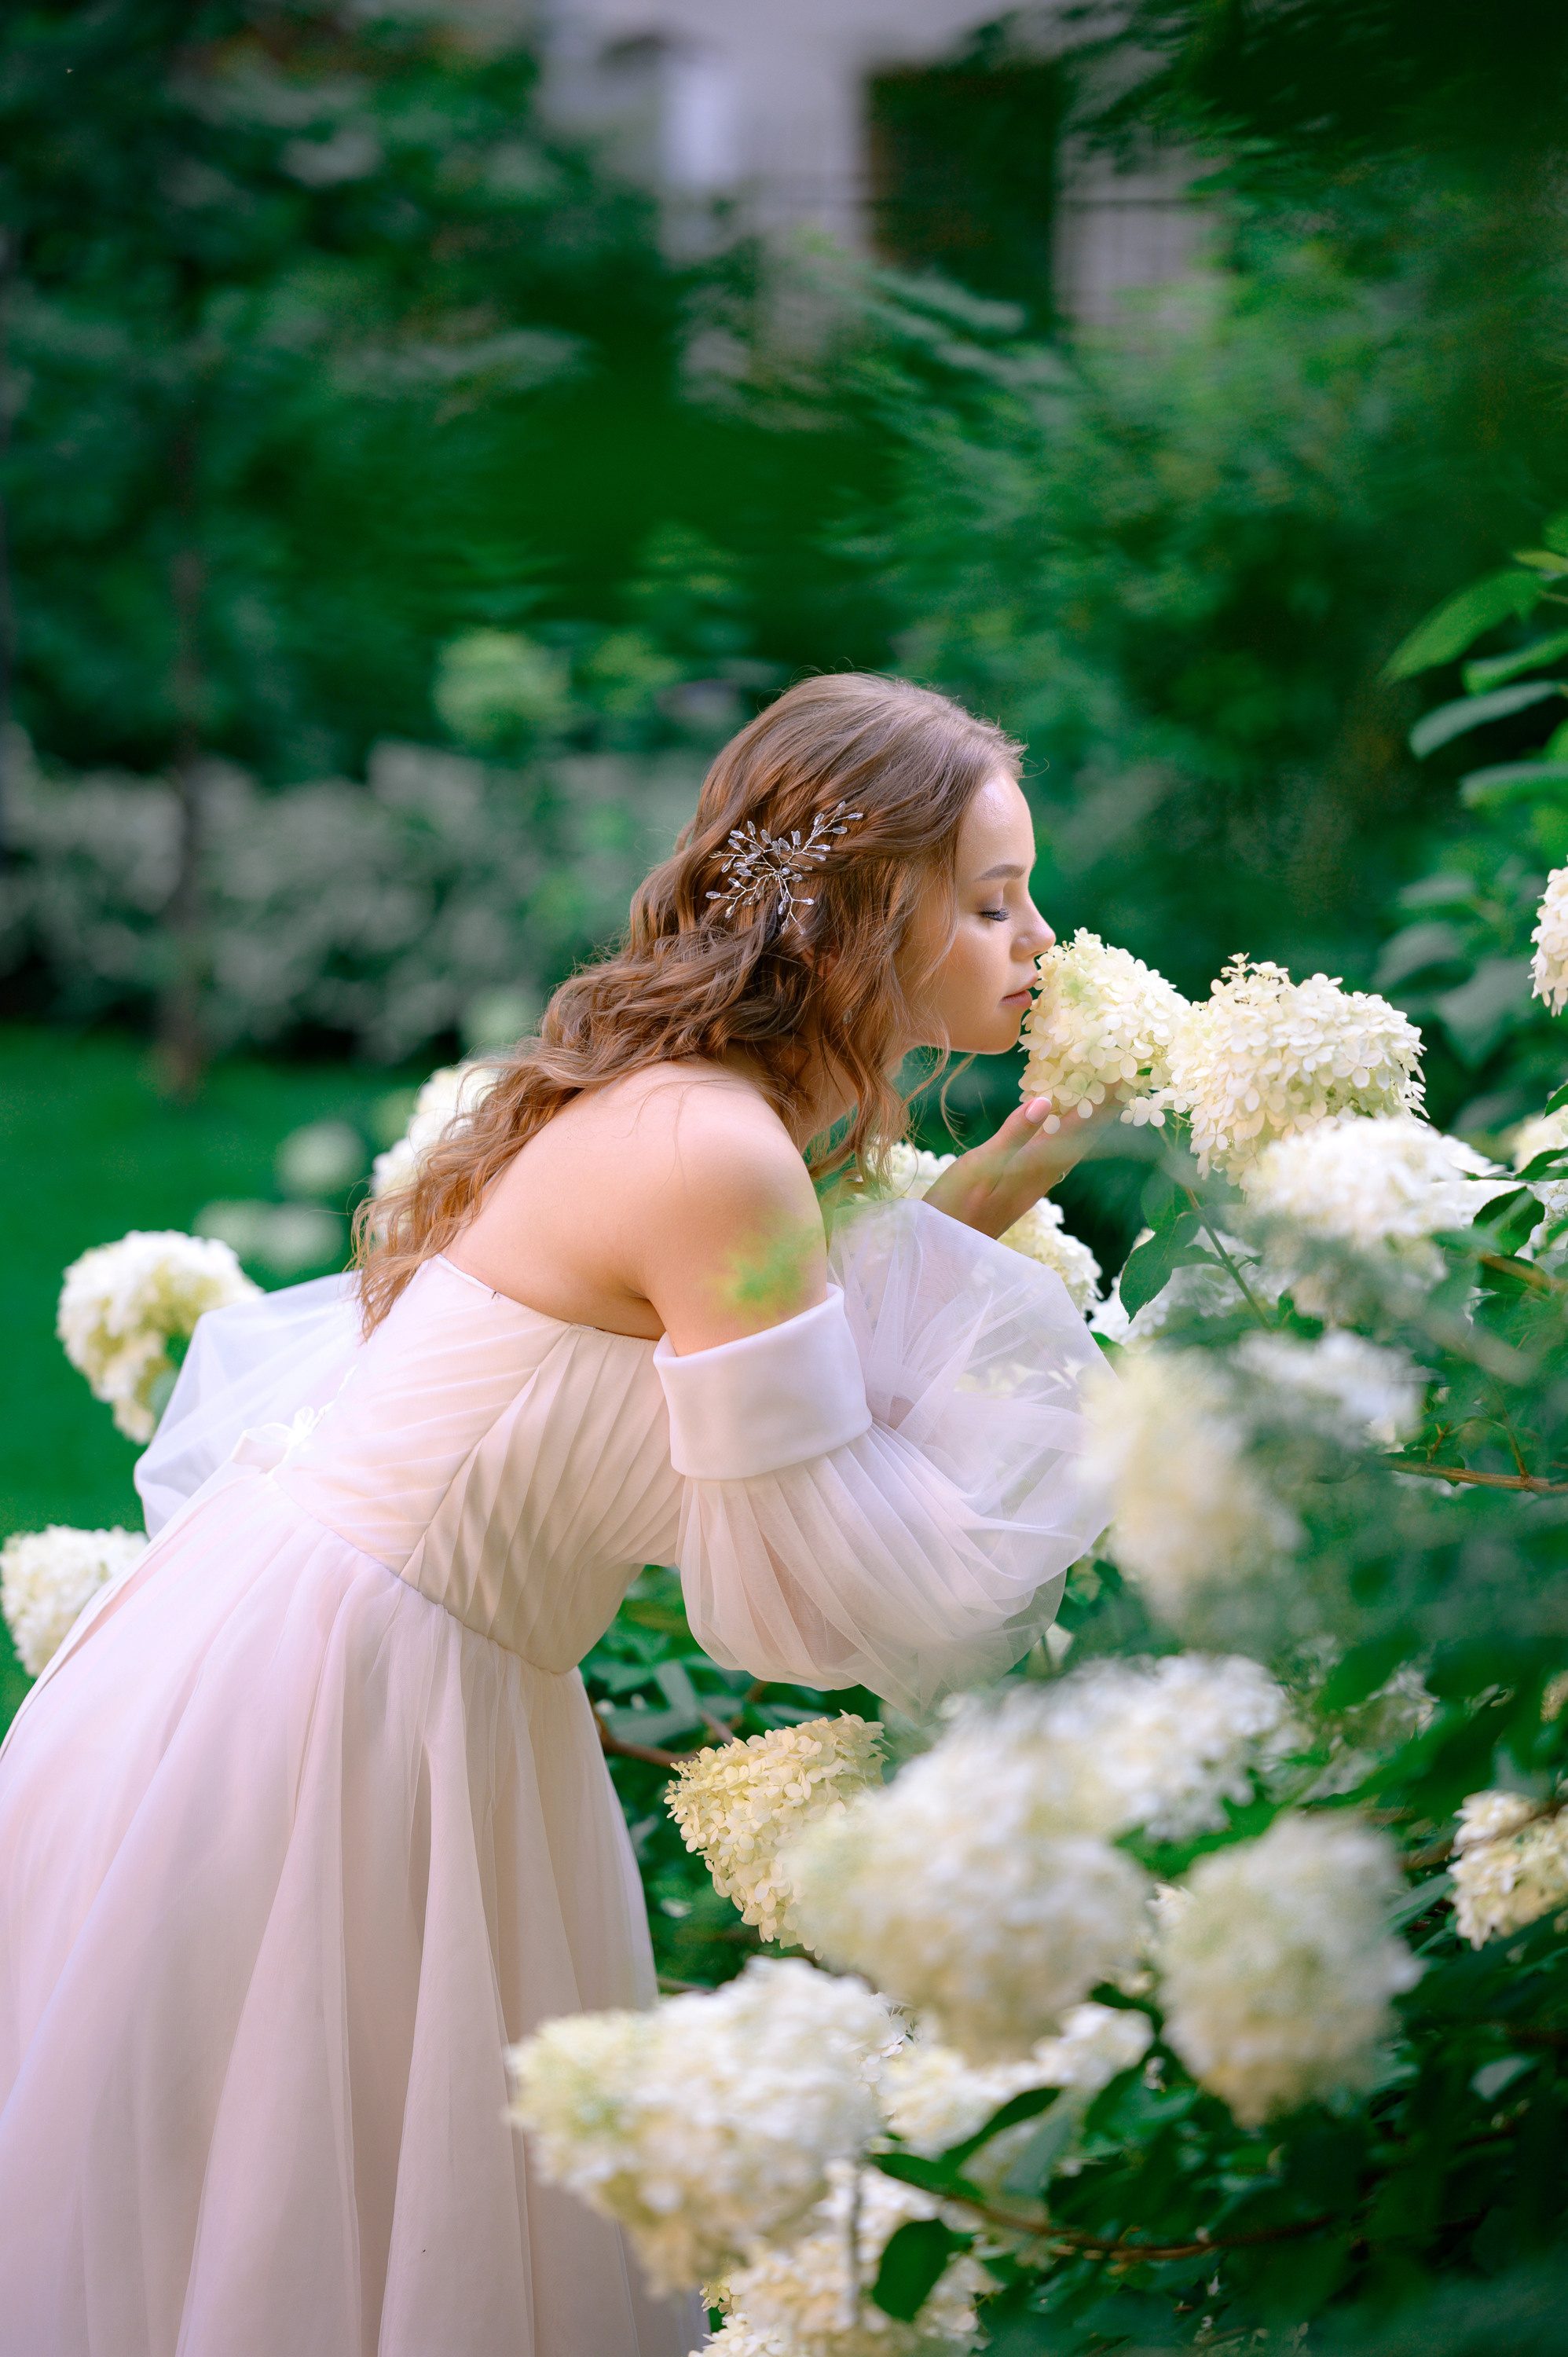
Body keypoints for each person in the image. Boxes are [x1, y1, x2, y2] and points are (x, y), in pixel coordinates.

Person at [0, 673, 1111, 2356]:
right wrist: (1116, 1439)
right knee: (291, 2197)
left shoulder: (722, 1125)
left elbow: (763, 1362)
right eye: (988, 900)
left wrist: (989, 1197)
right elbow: (826, 1595)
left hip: (415, 1666)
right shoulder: (716, 1157)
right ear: (858, 917)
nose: (1039, 938)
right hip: (341, 1706)